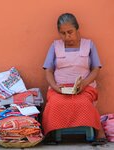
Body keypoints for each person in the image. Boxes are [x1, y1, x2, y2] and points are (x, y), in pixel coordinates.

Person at [42, 13, 107, 145]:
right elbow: (48, 70)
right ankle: (51, 132)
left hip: (84, 87)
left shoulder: (89, 45)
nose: (67, 37)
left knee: (83, 103)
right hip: (60, 88)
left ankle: (98, 130)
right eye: (63, 33)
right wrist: (55, 87)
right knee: (55, 103)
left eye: (70, 32)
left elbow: (96, 68)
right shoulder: (55, 46)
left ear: (77, 29)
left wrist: (84, 83)